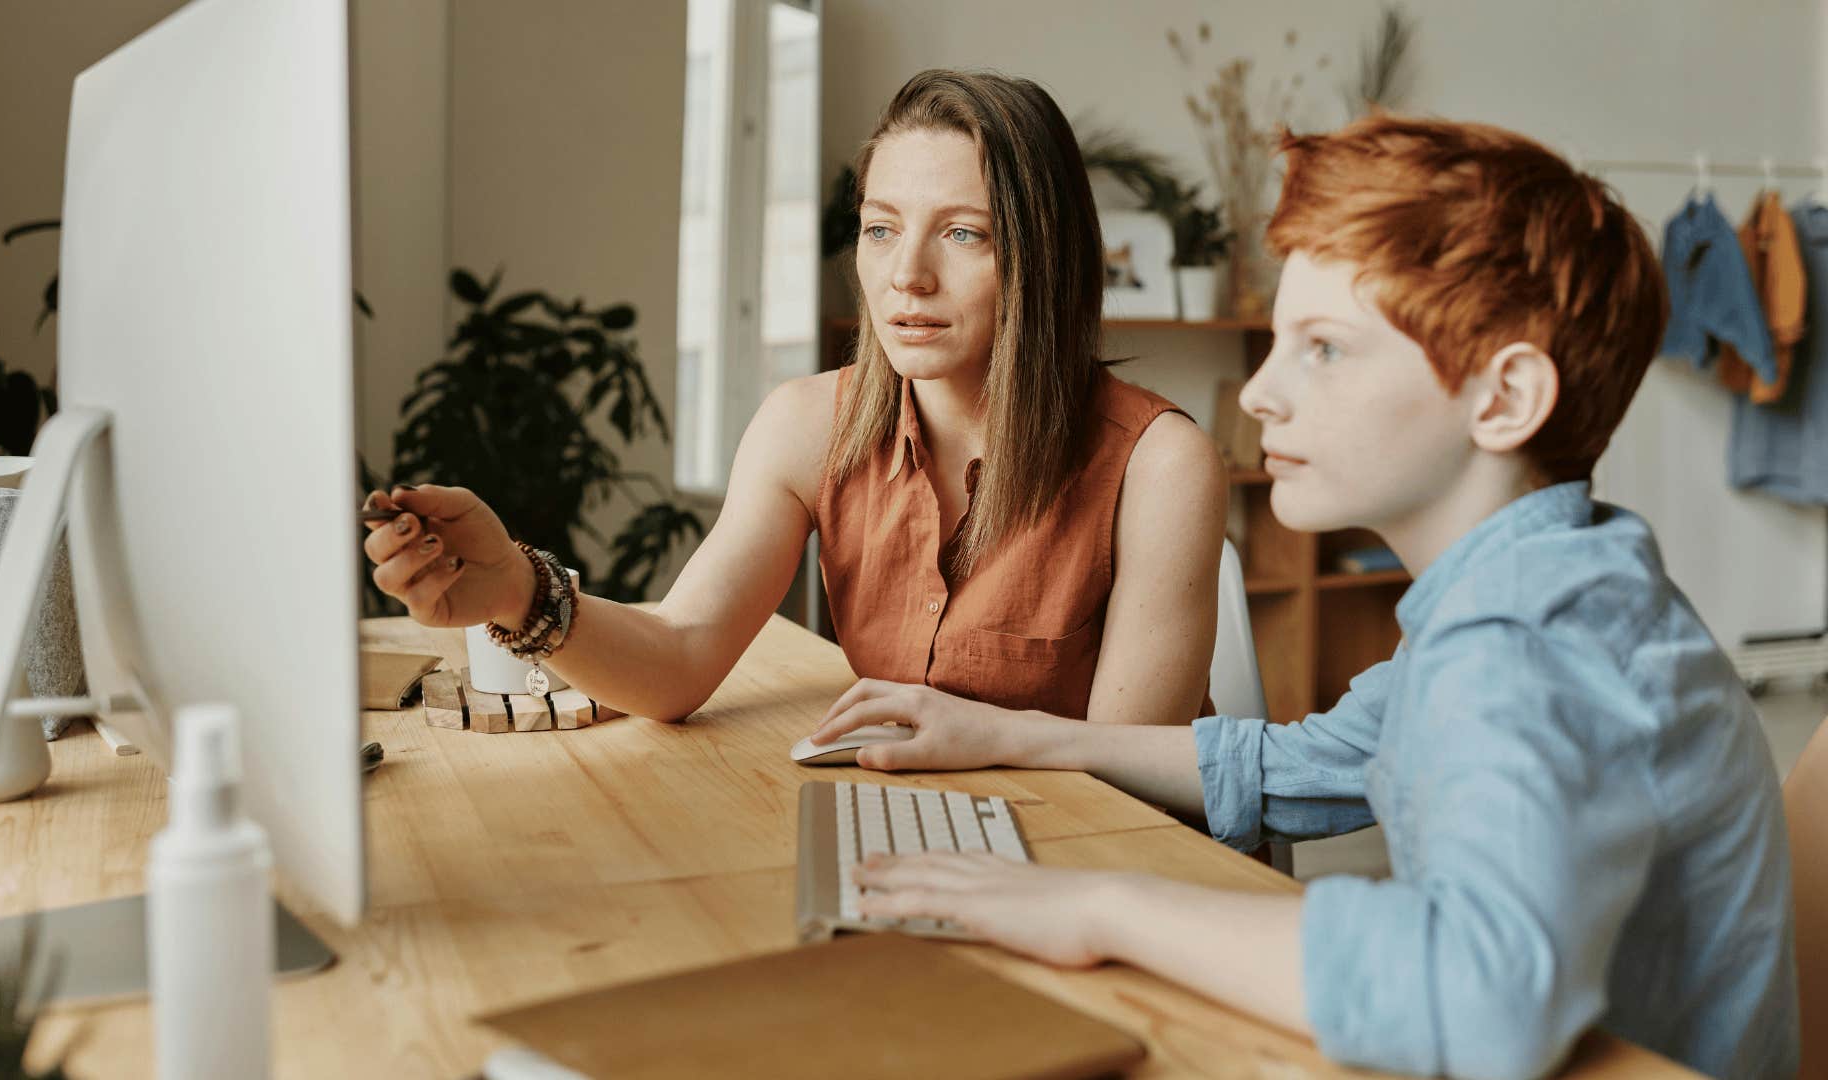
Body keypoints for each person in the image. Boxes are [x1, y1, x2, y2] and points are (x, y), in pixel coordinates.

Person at [813, 115, 1799, 1080]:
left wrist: (1101, 908)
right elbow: (1307, 761)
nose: (1258, 394)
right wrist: (1010, 733)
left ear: (1503, 401)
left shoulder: (1525, 642)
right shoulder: (1555, 583)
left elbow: (1480, 998)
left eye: (1321, 348)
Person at [361, 68, 1227, 730]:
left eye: (963, 234)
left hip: (1104, 869)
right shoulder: (809, 424)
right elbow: (680, 658)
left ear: (1046, 258)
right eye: (881, 228)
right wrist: (518, 589)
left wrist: (968, 741)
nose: (906, 275)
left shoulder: (1160, 465)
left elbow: (1127, 779)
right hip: (926, 836)